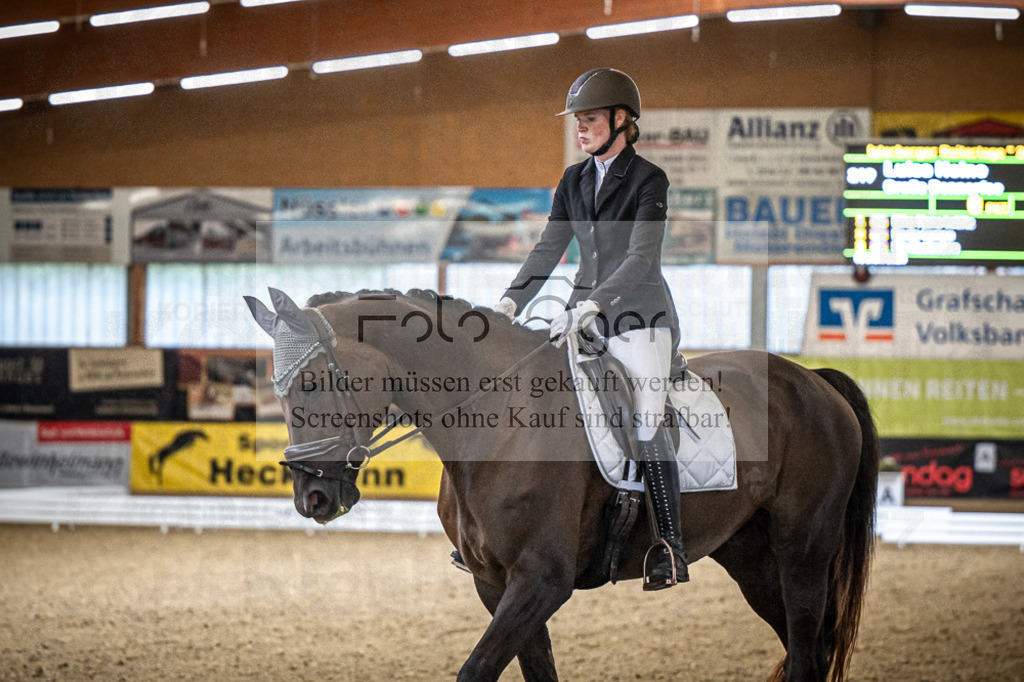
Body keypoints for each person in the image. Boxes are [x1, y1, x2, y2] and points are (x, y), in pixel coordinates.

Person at [493, 67, 687, 590]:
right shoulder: (573, 180)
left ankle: (669, 547)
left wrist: (596, 303)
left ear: (622, 120)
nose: (580, 128)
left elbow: (642, 258)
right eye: (578, 120)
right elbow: (548, 248)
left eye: (591, 119)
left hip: (640, 317)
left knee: (647, 412)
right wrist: (511, 301)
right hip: (578, 311)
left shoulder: (648, 180)